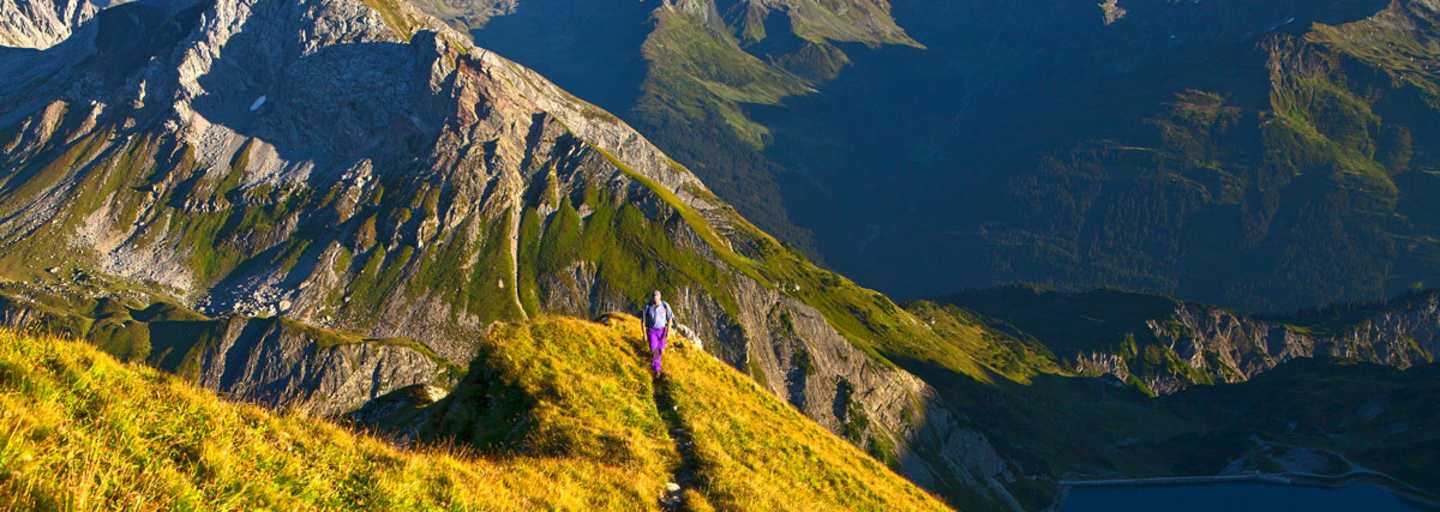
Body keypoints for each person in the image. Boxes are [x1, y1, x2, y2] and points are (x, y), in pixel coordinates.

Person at [642, 290, 675, 376]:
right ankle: (657, 369)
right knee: (654, 349)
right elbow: (643, 321)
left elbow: (670, 318)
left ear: (660, 297)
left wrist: (668, 331)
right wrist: (644, 334)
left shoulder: (665, 306)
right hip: (652, 330)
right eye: (654, 297)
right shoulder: (648, 306)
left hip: (662, 330)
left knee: (660, 348)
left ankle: (656, 362)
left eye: (656, 297)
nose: (655, 298)